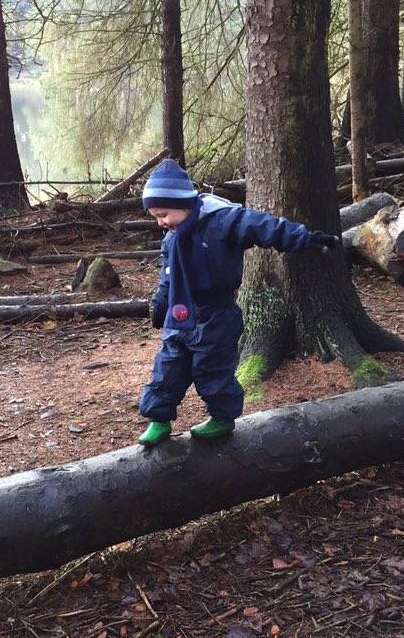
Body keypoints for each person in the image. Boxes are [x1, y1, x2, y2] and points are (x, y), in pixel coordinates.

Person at [137, 158, 340, 446]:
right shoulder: (171, 238)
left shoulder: (222, 221)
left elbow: (263, 227)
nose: (160, 222)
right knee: (167, 368)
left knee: (213, 370)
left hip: (215, 315)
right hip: (179, 316)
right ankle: (158, 420)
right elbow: (167, 274)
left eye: (163, 213)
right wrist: (160, 302)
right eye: (155, 216)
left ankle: (221, 417)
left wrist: (305, 238)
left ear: (183, 203)